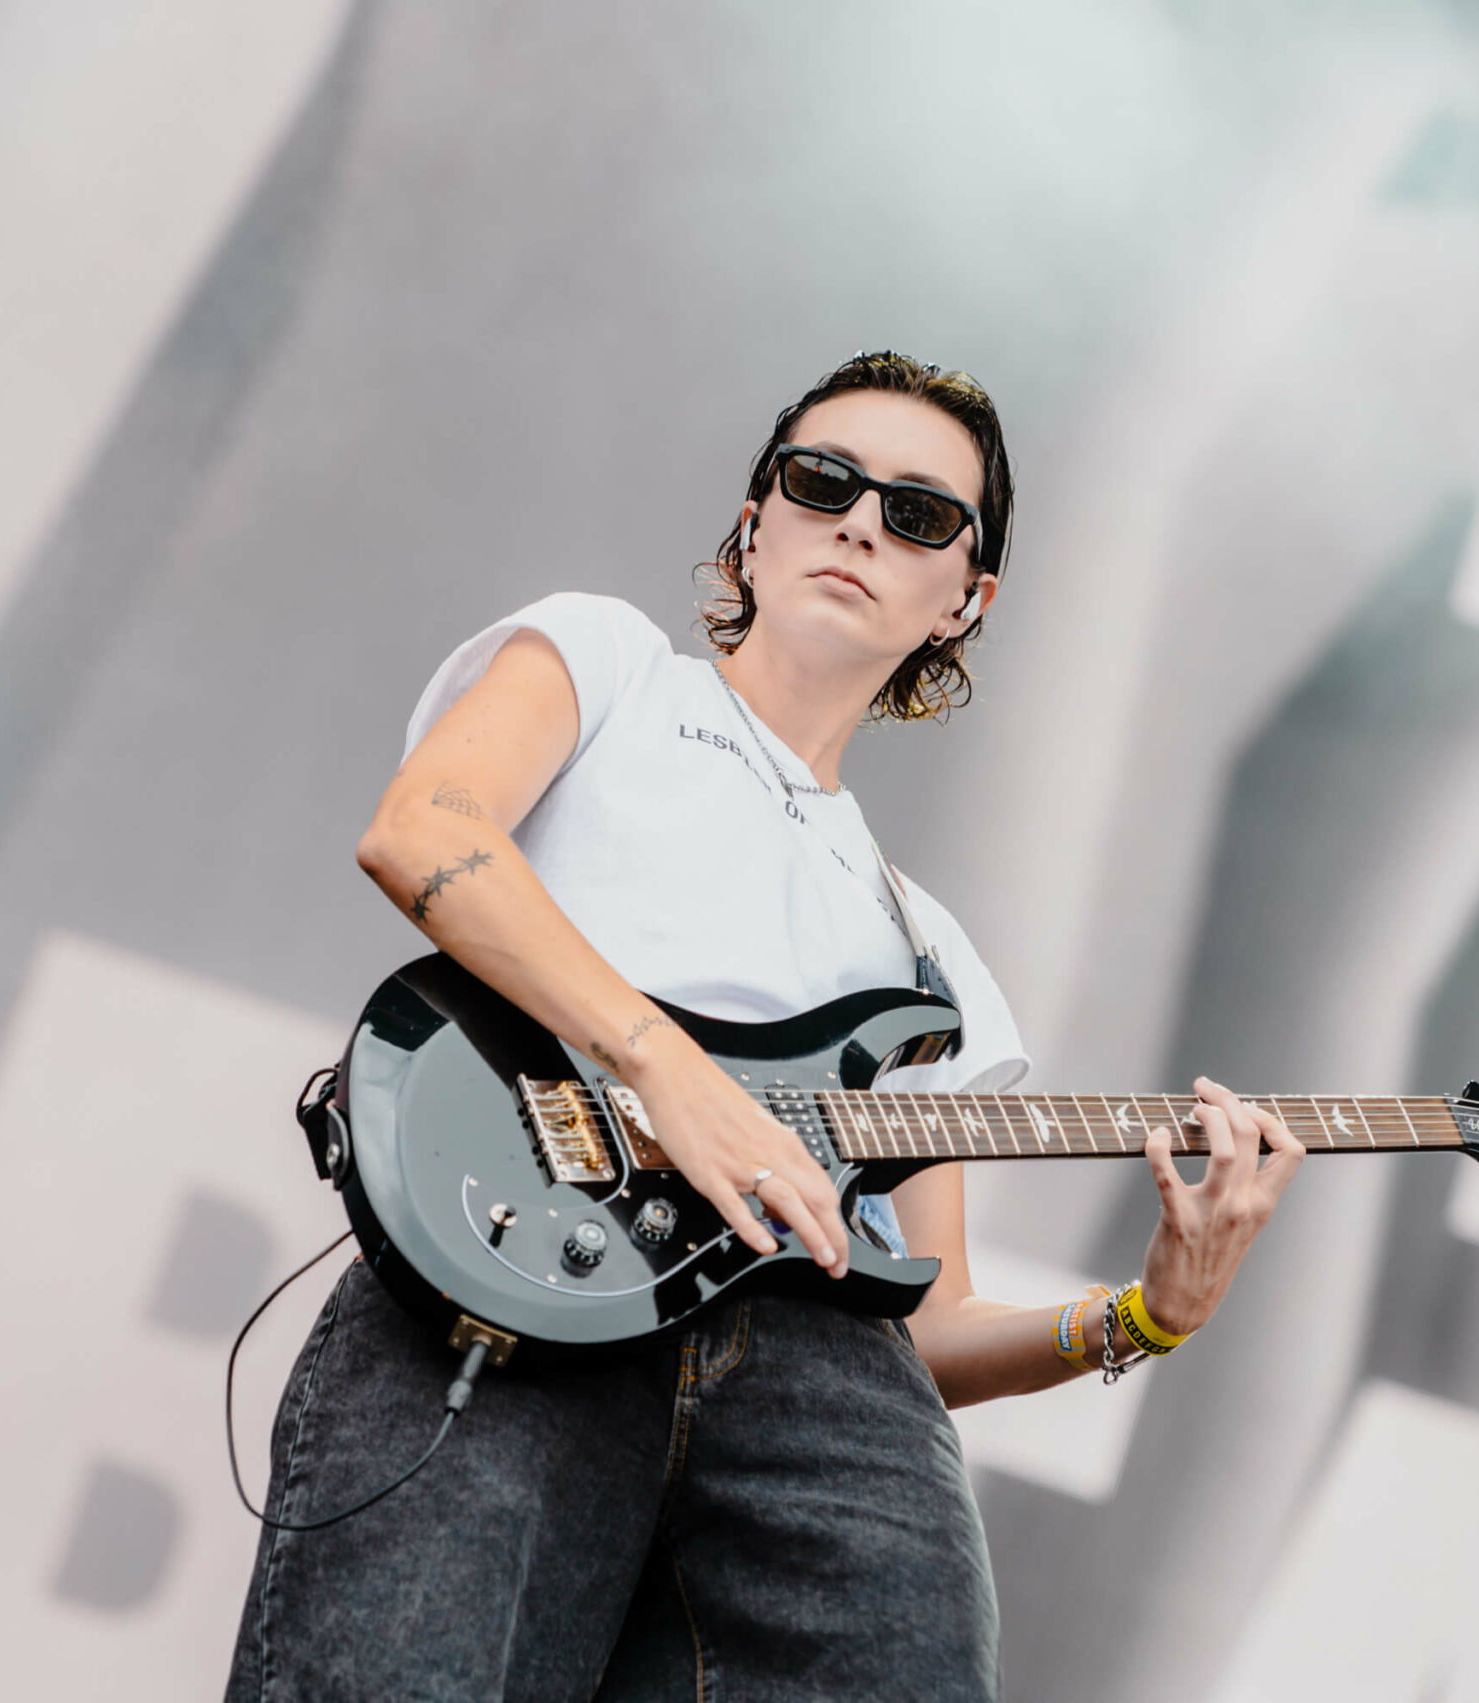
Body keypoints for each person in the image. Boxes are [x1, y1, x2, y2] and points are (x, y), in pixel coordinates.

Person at [226, 351, 1304, 1703]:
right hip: (513, 1281)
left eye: (918, 514)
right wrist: (663, 1071)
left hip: (823, 1384)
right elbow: (422, 830)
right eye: (821, 480)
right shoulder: (608, 665)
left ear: (966, 598)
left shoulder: (932, 959)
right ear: (756, 520)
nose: (859, 521)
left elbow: (937, 1321)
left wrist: (1145, 1319)